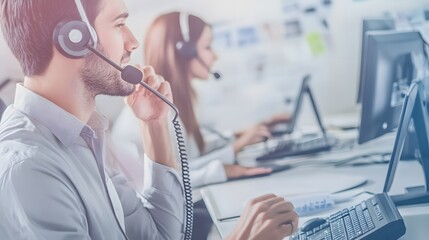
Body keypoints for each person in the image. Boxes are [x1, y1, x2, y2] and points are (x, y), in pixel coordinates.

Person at [0, 1, 298, 240]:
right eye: (119, 25)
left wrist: (155, 126)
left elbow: (161, 235)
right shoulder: (29, 169)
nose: (132, 42)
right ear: (74, 39)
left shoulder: (85, 138)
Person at [112, 11, 290, 190]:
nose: (215, 56)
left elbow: (190, 151)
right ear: (184, 52)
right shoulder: (153, 108)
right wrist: (230, 157)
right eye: (207, 47)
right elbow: (172, 177)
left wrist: (239, 136)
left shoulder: (181, 97)